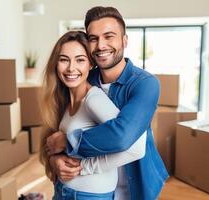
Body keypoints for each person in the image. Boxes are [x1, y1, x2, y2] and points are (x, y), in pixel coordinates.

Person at [47, 6, 169, 200]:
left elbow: (122, 136)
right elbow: (57, 128)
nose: (101, 45)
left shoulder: (144, 83)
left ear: (125, 40)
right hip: (95, 185)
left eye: (109, 36)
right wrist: (55, 159)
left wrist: (69, 142)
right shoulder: (83, 77)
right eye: (93, 38)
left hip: (135, 183)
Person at [40, 31, 147, 200]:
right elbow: (56, 145)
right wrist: (55, 160)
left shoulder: (94, 100)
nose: (70, 68)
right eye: (63, 59)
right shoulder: (64, 99)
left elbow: (137, 148)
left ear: (91, 64)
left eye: (80, 60)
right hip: (62, 191)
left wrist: (83, 167)